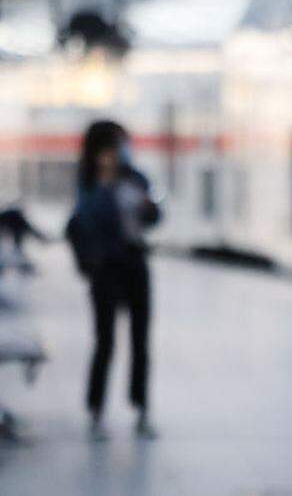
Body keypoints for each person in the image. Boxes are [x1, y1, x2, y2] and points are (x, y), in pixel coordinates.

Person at [66, 121, 160, 440]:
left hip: (135, 263)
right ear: (98, 151)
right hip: (105, 269)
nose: (120, 152)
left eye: (123, 144)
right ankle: (96, 411)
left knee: (140, 341)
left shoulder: (137, 178)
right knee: (105, 340)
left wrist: (150, 210)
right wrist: (104, 184)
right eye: (114, 146)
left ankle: (141, 408)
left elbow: (154, 217)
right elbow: (85, 220)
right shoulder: (89, 183)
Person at [0, 204, 47, 276]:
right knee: (15, 250)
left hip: (15, 225)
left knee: (17, 250)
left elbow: (32, 230)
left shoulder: (18, 221)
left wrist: (42, 238)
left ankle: (23, 268)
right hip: (12, 223)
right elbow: (32, 230)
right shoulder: (15, 219)